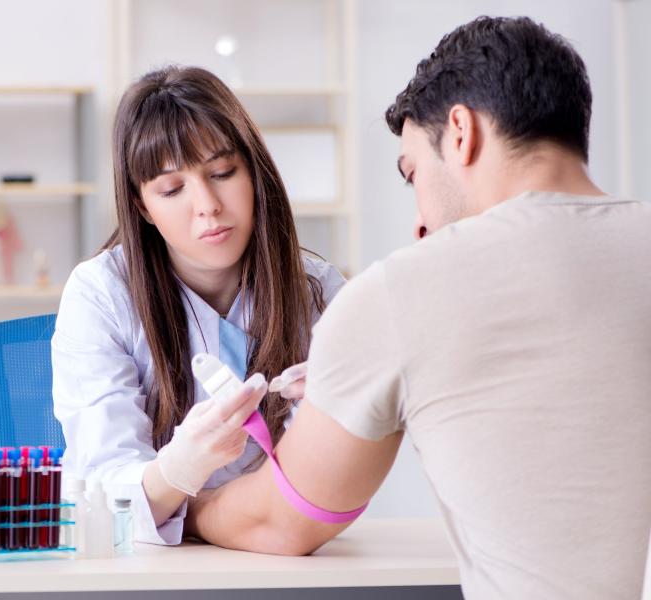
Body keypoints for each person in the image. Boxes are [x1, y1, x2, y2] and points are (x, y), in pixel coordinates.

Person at [184, 16, 651, 600]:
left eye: (414, 175)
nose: (420, 224)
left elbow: (278, 523)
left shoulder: (400, 291)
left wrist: (184, 499)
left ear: (461, 132)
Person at [51, 65, 344, 545]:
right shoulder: (100, 293)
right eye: (172, 189)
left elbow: (328, 486)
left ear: (255, 172)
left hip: (282, 557)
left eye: (223, 173)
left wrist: (336, 412)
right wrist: (181, 466)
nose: (207, 204)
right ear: (142, 206)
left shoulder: (317, 290)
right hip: (150, 568)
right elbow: (108, 494)